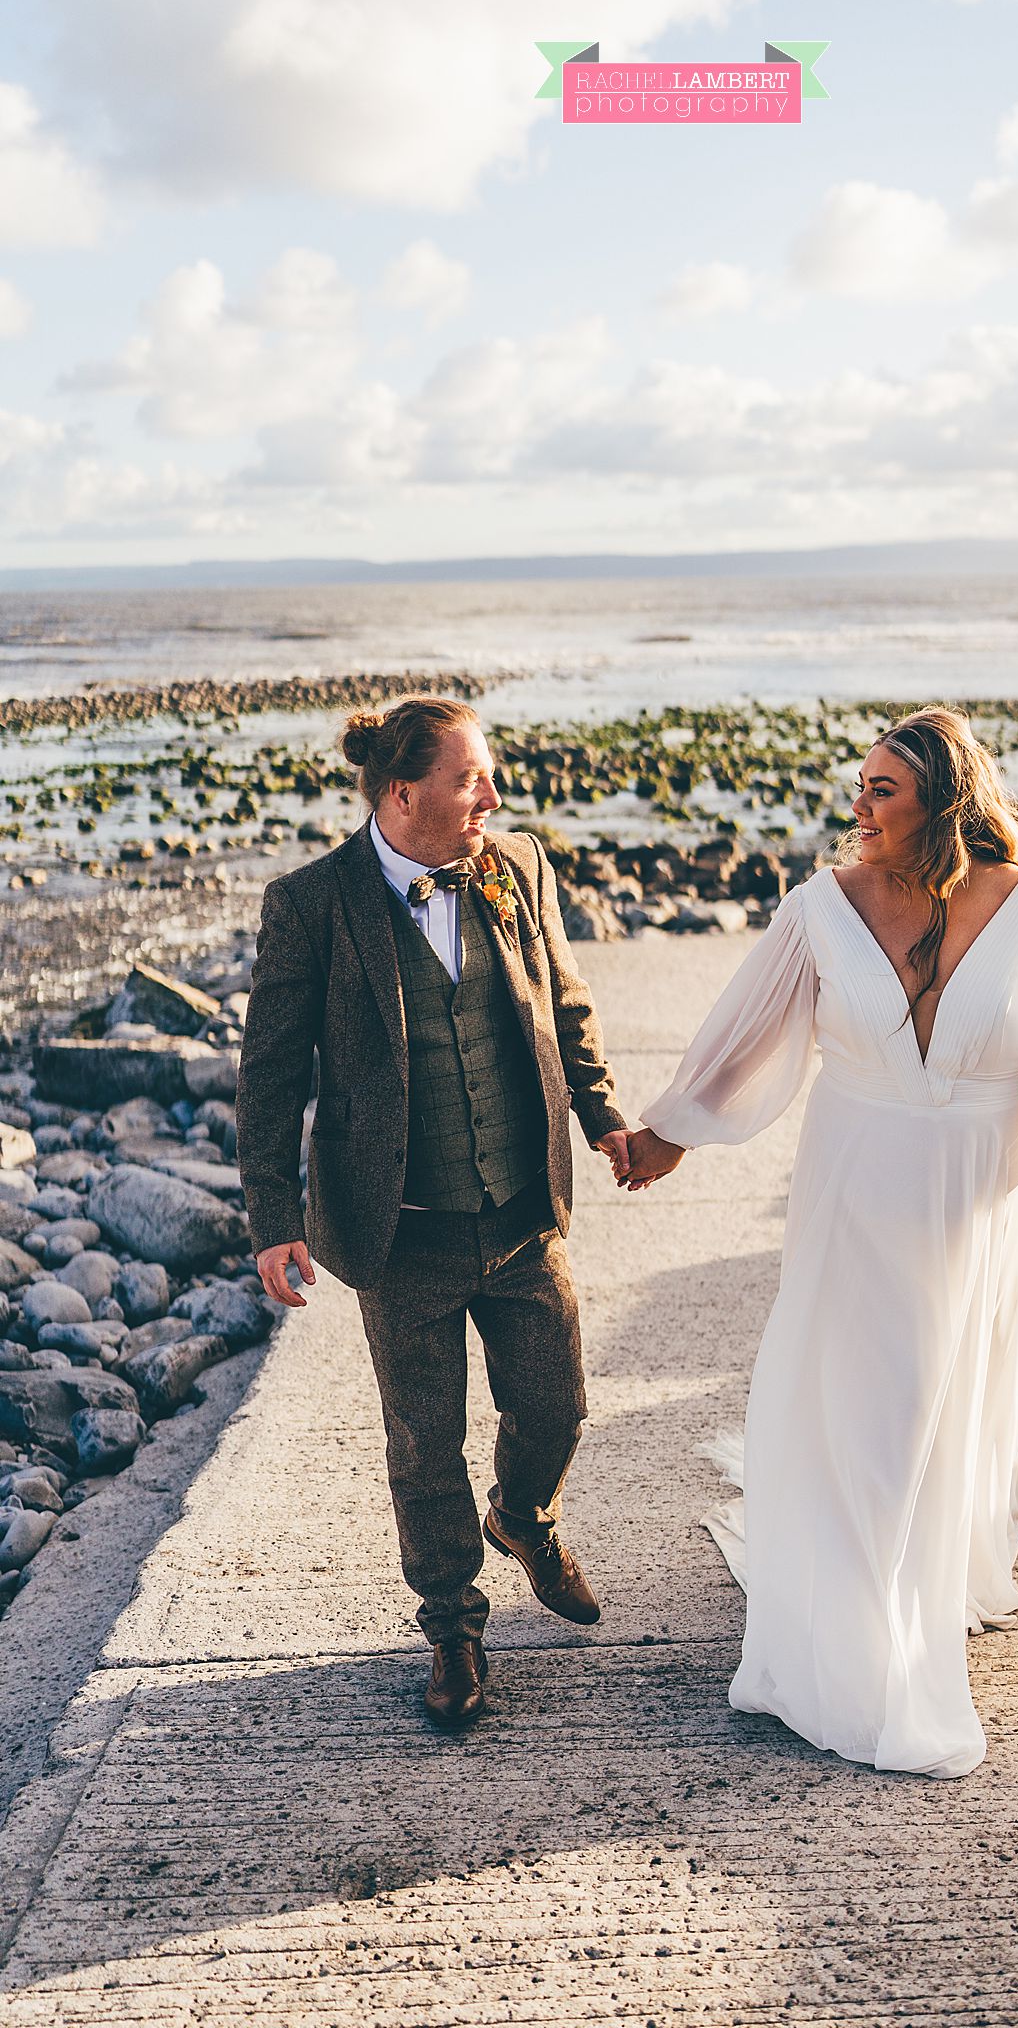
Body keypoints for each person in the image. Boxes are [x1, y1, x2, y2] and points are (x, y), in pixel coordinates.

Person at [623, 706, 1018, 1778]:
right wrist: (672, 1129)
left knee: (937, 1400)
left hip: (975, 1193)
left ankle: (908, 1581)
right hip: (854, 1185)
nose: (858, 806)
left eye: (882, 790)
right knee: (864, 1400)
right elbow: (745, 1029)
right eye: (859, 785)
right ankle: (858, 1646)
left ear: (942, 802)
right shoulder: (819, 907)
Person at [235, 697, 630, 1734]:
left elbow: (567, 1003)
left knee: (558, 1408)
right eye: (470, 781)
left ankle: (525, 1515)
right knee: (424, 1443)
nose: (489, 798)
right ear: (403, 793)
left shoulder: (519, 867)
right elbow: (270, 1072)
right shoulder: (313, 904)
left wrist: (605, 1119)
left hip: (520, 1209)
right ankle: (454, 1629)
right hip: (400, 1228)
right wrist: (272, 1214)